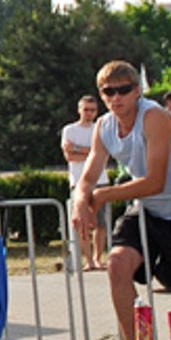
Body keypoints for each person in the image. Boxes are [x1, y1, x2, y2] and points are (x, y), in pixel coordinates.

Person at [73, 59, 171, 340]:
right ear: (101, 94)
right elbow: (88, 177)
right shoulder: (104, 126)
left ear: (138, 92)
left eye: (124, 90)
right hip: (146, 208)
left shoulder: (154, 117)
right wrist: (81, 202)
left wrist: (102, 196)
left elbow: (154, 181)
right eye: (109, 92)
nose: (116, 97)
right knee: (118, 265)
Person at [61, 94, 107, 270]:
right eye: (86, 109)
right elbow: (69, 155)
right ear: (79, 110)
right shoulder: (69, 130)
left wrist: (80, 149)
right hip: (79, 182)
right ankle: (88, 260)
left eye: (92, 110)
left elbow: (104, 153)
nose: (89, 113)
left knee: (100, 223)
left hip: (100, 180)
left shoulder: (101, 128)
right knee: (82, 223)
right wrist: (93, 152)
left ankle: (98, 258)